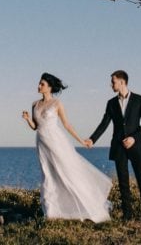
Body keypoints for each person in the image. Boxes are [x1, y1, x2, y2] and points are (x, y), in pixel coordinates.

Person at [22, 73, 112, 222]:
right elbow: (35, 127)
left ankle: (89, 206)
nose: (38, 86)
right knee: (48, 174)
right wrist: (27, 120)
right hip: (42, 142)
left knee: (68, 171)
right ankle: (51, 213)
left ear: (49, 87)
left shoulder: (57, 104)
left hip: (56, 141)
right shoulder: (34, 104)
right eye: (39, 83)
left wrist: (81, 141)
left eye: (42, 84)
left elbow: (67, 125)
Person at [84, 70, 141, 221]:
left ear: (122, 82)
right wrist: (92, 139)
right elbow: (104, 123)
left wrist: (134, 138)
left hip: (135, 146)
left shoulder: (139, 100)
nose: (111, 84)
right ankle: (127, 216)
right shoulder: (111, 103)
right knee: (123, 183)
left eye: (113, 82)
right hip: (118, 148)